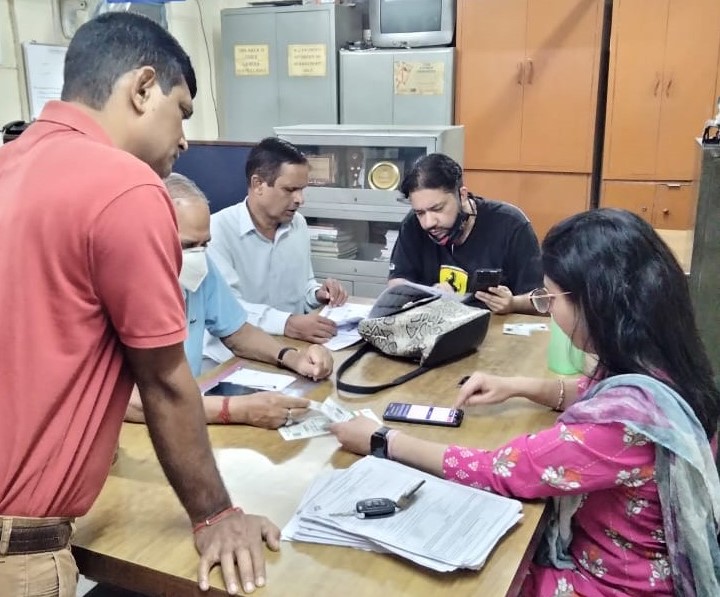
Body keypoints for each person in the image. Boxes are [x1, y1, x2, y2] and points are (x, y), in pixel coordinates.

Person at [0, 13, 276, 597]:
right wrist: (216, 515)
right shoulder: (126, 185)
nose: (184, 138)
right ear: (143, 87)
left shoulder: (10, 164)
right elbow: (165, 380)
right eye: (182, 111)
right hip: (17, 550)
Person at [331, 209, 720, 596]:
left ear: (595, 304)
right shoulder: (669, 366)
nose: (550, 310)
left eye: (551, 298)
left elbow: (502, 469)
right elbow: (597, 392)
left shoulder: (621, 425)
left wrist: (383, 439)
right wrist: (520, 386)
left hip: (608, 586)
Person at [125, 173, 334, 428]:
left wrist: (293, 358)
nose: (197, 255)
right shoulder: (116, 287)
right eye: (187, 245)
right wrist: (234, 410)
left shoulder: (200, 269)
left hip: (189, 413)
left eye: (204, 244)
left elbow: (237, 332)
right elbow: (125, 401)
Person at [207, 137, 348, 347]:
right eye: (290, 190)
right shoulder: (215, 231)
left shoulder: (298, 224)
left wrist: (318, 294)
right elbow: (228, 309)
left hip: (293, 346)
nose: (300, 199)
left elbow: (303, 287)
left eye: (302, 189)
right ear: (258, 185)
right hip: (234, 352)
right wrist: (287, 324)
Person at [389, 153, 543, 314]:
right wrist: (429, 296)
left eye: (437, 209)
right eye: (420, 213)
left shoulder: (511, 224)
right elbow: (397, 283)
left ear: (462, 195)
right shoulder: (412, 224)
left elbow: (543, 298)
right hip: (435, 323)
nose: (428, 223)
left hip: (494, 325)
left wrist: (513, 303)